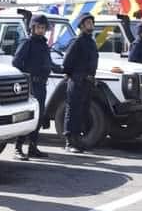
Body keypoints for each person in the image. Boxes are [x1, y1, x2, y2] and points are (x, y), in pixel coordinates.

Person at [12, 13, 60, 160]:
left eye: (43, 28)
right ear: (32, 28)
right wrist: (27, 76)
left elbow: (49, 63)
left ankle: (33, 147)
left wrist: (63, 69)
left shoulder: (43, 44)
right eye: (38, 27)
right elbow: (16, 62)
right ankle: (18, 147)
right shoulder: (27, 43)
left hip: (41, 85)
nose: (41, 30)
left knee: (38, 117)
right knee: (27, 117)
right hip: (31, 85)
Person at [61, 12, 99, 153]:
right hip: (77, 81)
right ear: (82, 26)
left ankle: (77, 140)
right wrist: (77, 75)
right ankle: (69, 142)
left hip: (88, 82)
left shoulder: (91, 42)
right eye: (88, 23)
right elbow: (67, 63)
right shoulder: (77, 42)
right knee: (73, 111)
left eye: (92, 22)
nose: (91, 25)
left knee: (83, 112)